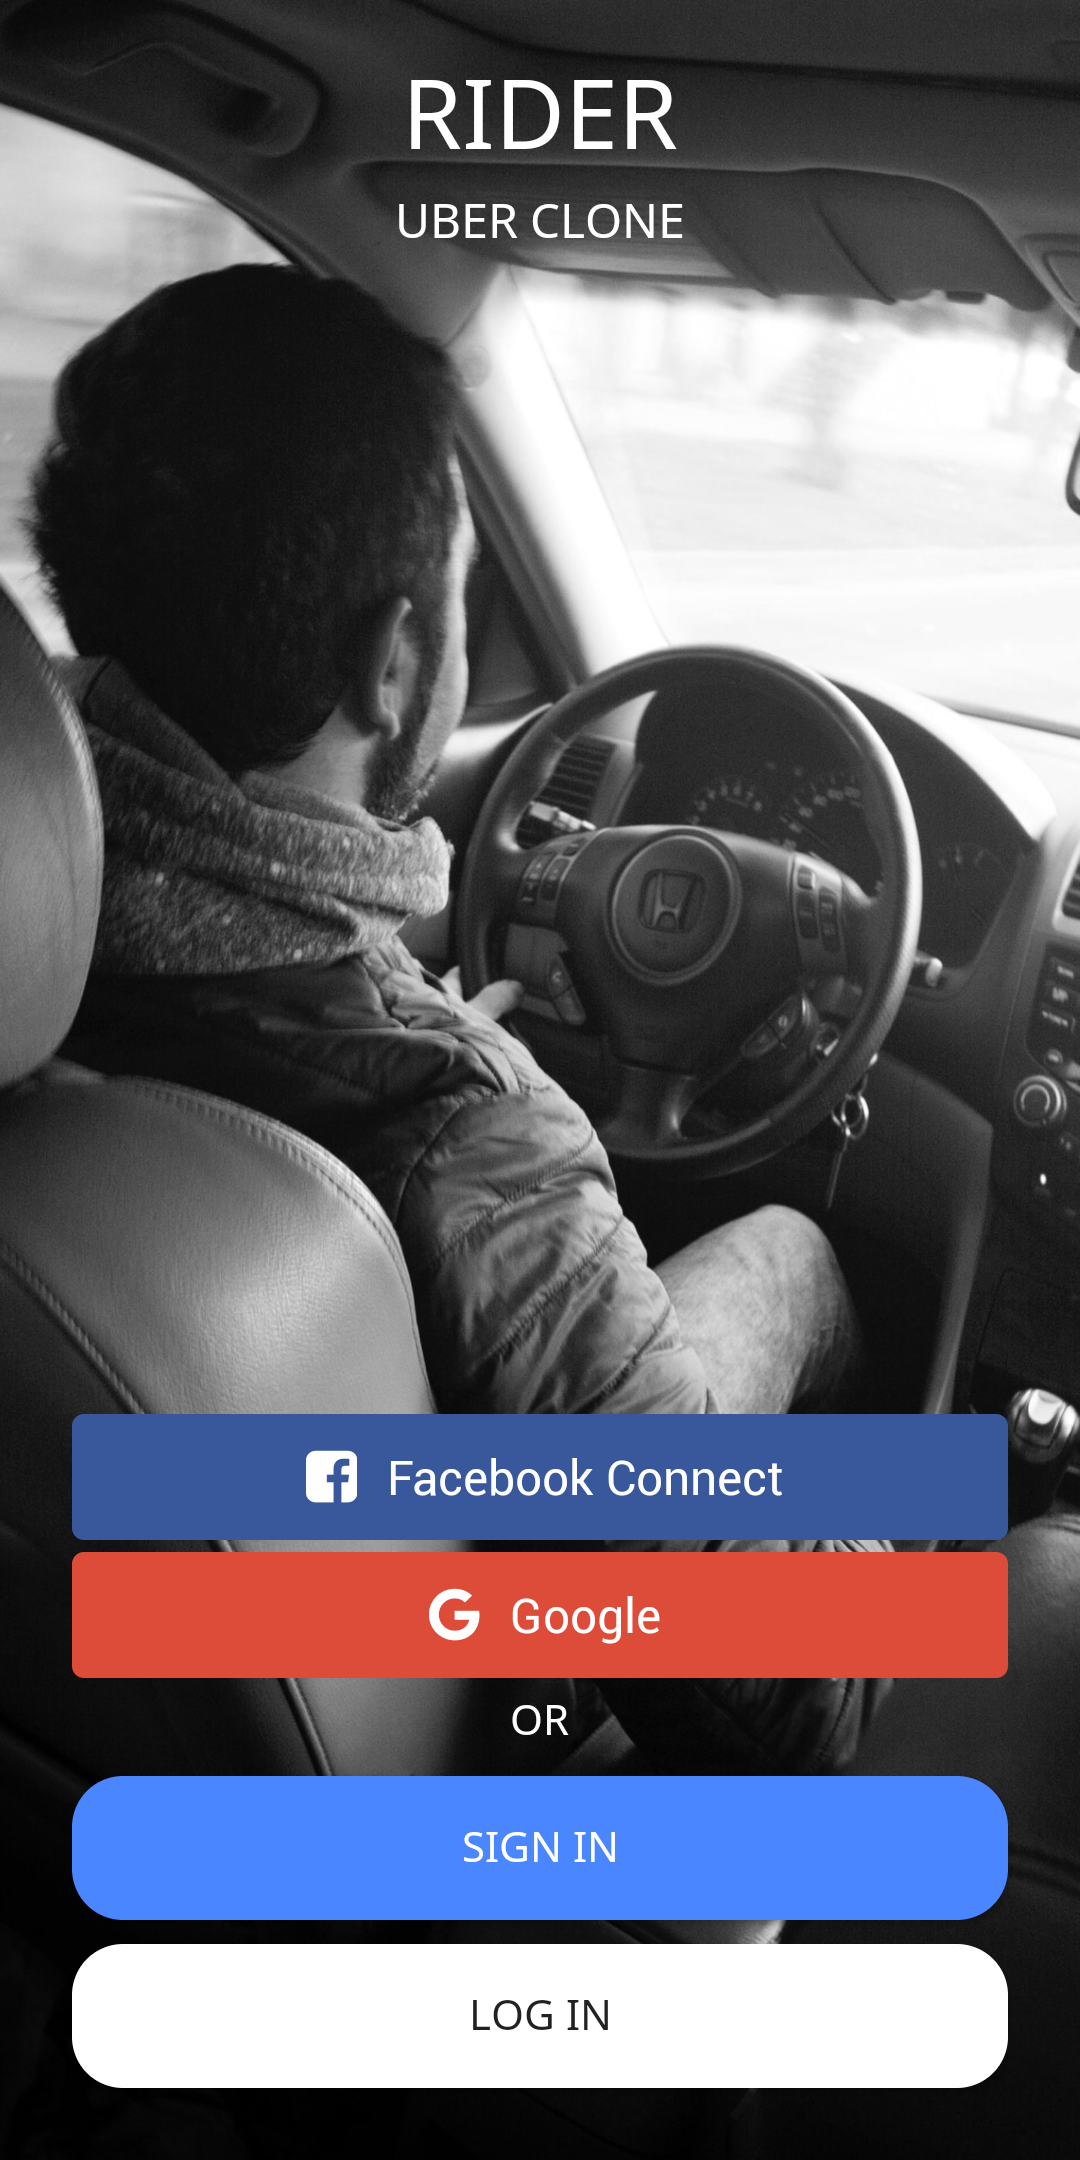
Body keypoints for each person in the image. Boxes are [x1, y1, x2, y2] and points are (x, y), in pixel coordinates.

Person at [32, 264, 886, 1770]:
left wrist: (438, 1034)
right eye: (466, 593)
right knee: (799, 1261)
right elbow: (775, 1700)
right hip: (470, 1727)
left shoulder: (39, 918)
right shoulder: (458, 1129)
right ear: (397, 663)